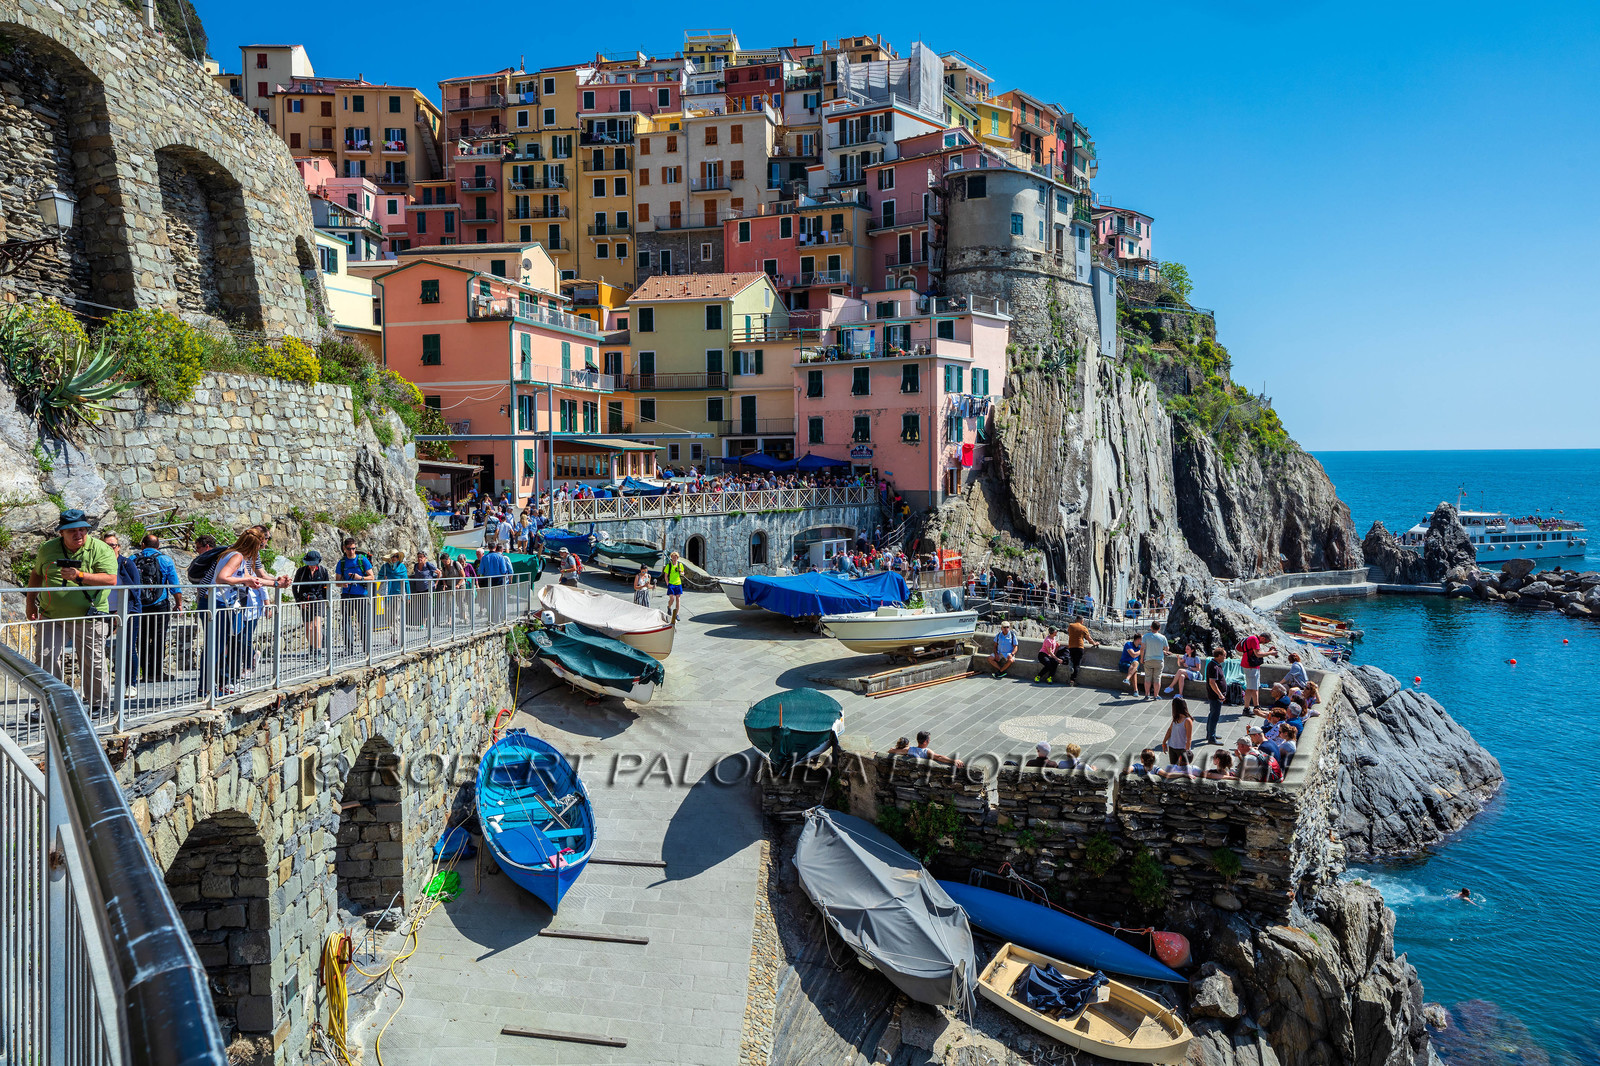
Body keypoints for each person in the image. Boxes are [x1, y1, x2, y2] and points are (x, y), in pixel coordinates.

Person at [26, 510, 118, 712]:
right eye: (72, 531)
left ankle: (98, 705)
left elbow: (110, 579)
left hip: (88, 616)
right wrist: (30, 602)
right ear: (61, 533)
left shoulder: (101, 549)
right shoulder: (48, 549)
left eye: (82, 530)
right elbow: (36, 574)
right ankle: (48, 705)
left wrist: (80, 575)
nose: (79, 534)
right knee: (45, 657)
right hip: (52, 615)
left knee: (92, 661)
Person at [133, 534, 182, 684]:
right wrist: (178, 603)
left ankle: (145, 673)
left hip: (139, 605)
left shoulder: (132, 559)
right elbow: (174, 584)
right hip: (159, 605)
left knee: (141, 639)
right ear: (158, 546)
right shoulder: (165, 560)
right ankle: (157, 673)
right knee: (159, 638)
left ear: (142, 545)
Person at [101, 531, 143, 697]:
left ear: (118, 547)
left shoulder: (126, 563)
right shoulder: (100, 564)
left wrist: (123, 609)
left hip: (128, 610)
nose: (110, 548)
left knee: (127, 648)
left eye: (113, 545)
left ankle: (130, 684)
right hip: (105, 610)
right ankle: (98, 687)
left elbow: (135, 589)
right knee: (96, 649)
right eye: (106, 545)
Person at [335, 538, 375, 656]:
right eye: (349, 549)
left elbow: (372, 577)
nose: (352, 551)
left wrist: (360, 578)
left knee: (362, 621)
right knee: (346, 621)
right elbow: (337, 582)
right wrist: (343, 583)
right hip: (347, 594)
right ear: (344, 549)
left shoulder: (363, 560)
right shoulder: (341, 563)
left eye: (353, 548)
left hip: (361, 595)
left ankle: (366, 648)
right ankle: (349, 649)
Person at [292, 550, 330, 658]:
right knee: (308, 628)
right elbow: (295, 587)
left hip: (319, 600)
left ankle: (318, 651)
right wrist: (299, 602)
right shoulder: (301, 571)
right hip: (305, 601)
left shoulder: (323, 571)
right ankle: (312, 647)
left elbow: (326, 587)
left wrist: (326, 602)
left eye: (313, 563)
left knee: (316, 625)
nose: (311, 566)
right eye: (309, 563)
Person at [1235, 631, 1273, 715]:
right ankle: (1249, 708)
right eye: (1265, 641)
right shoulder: (1254, 640)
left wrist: (1268, 651)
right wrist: (1270, 653)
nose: (1264, 643)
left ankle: (1254, 707)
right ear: (1263, 638)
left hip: (1251, 665)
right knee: (1252, 688)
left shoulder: (1253, 638)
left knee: (1252, 687)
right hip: (1250, 666)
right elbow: (1258, 654)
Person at [377, 550, 409, 645]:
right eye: (393, 556)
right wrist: (384, 578)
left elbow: (406, 581)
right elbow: (379, 578)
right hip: (387, 594)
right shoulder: (385, 567)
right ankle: (393, 633)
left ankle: (395, 636)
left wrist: (409, 595)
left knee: (396, 617)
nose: (394, 558)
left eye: (396, 556)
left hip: (398, 594)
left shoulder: (402, 567)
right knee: (388, 616)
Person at [888, 731, 964, 769]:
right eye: (929, 739)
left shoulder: (908, 750)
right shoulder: (926, 751)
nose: (929, 741)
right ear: (925, 741)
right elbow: (939, 757)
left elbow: (891, 751)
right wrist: (954, 761)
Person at [477, 544, 514, 623]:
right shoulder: (500, 557)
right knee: (498, 600)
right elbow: (503, 570)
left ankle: (491, 619)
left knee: (490, 600)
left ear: (488, 548)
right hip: (498, 581)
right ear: (495, 548)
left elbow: (480, 571)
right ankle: (498, 619)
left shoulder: (484, 558)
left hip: (488, 581)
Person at [1204, 646, 1228, 746]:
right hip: (1215, 696)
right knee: (1214, 716)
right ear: (1218, 656)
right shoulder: (1213, 667)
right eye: (1224, 656)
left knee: (1212, 714)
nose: (1225, 658)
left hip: (1215, 695)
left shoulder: (1216, 665)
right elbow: (1212, 682)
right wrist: (1220, 694)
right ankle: (1211, 738)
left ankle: (1210, 734)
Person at [1161, 697, 1194, 770]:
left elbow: (1189, 738)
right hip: (1172, 747)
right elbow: (1170, 730)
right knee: (1173, 767)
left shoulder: (1187, 721)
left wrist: (1187, 753)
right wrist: (1164, 742)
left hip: (1182, 749)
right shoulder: (1176, 718)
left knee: (1182, 768)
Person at [410, 550, 439, 628]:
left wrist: (436, 583)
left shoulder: (428, 565)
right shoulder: (416, 566)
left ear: (425, 558)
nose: (420, 559)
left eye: (421, 557)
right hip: (419, 588)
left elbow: (439, 572)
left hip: (428, 587)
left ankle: (424, 623)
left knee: (427, 605)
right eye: (418, 557)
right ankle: (424, 622)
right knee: (421, 606)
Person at [1140, 621, 1168, 700]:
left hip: (1148, 659)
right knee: (1157, 678)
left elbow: (1142, 648)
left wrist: (1142, 658)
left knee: (1148, 678)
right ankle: (1156, 695)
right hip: (1159, 660)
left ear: (1151, 627)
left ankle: (1146, 695)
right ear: (1159, 628)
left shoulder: (1145, 636)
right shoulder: (1163, 637)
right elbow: (1167, 649)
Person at [1065, 615, 1097, 685]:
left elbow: (1070, 633)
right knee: (1077, 665)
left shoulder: (1070, 626)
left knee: (1073, 661)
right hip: (1079, 647)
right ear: (1082, 621)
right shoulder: (1083, 628)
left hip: (1071, 647)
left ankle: (1071, 666)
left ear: (1076, 620)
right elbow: (1089, 639)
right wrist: (1095, 643)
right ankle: (1072, 681)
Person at [662, 551, 686, 624]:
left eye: (676, 557)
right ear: (671, 558)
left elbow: (683, 573)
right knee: (672, 599)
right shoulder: (668, 565)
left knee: (678, 599)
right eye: (673, 557)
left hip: (678, 583)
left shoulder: (680, 565)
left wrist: (681, 572)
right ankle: (669, 607)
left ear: (677, 558)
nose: (674, 558)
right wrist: (667, 583)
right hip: (671, 584)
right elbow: (665, 576)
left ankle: (677, 614)